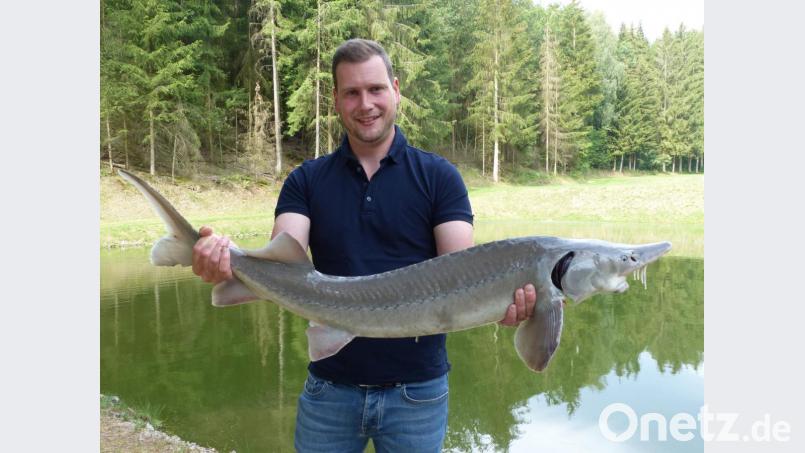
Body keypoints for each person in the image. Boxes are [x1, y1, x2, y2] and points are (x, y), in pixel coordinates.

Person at [191, 39, 536, 453]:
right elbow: (283, 263)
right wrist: (226, 263)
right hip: (329, 390)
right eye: (352, 93)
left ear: (395, 90)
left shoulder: (439, 177)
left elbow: (461, 272)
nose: (365, 103)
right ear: (336, 100)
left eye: (375, 89)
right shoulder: (306, 180)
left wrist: (505, 303)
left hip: (418, 394)